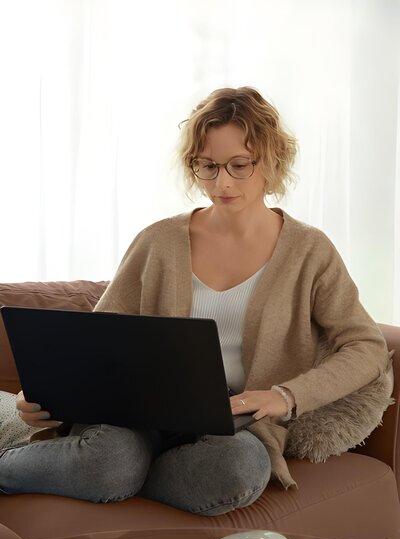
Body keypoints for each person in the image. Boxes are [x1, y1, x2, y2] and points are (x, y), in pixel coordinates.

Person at [0, 86, 392, 513]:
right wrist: (39, 397)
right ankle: (48, 468)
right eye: (207, 166)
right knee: (111, 457)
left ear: (272, 160)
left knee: (235, 473)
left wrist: (286, 395)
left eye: (239, 165)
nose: (221, 182)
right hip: (136, 415)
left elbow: (366, 345)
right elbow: (96, 341)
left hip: (236, 426)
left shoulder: (310, 251)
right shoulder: (158, 241)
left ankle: (120, 476)